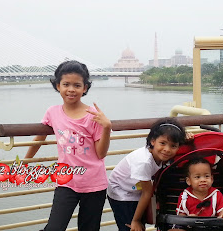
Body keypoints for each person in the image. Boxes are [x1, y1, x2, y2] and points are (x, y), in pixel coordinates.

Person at [24, 60, 112, 231]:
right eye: (66, 84)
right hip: (66, 182)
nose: (71, 89)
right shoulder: (52, 112)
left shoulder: (92, 115)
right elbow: (39, 139)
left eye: (77, 85)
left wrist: (107, 127)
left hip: (94, 183)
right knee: (54, 227)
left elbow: (100, 154)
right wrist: (25, 162)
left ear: (85, 88)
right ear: (58, 86)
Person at [107, 118, 191, 231]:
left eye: (173, 146)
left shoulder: (157, 154)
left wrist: (185, 137)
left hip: (137, 189)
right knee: (131, 226)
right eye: (163, 143)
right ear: (152, 141)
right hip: (122, 191)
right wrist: (135, 220)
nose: (167, 149)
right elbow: (147, 192)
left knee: (140, 226)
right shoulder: (144, 161)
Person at [175, 157, 223, 226]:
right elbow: (180, 216)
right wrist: (188, 219)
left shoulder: (216, 194)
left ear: (211, 179)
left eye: (206, 176)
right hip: (190, 227)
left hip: (211, 226)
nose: (203, 180)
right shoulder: (184, 196)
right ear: (189, 181)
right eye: (197, 177)